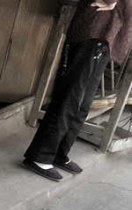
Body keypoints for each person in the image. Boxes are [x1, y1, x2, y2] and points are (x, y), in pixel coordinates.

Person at [23, 0, 132, 181]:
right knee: (69, 98)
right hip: (94, 29)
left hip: (107, 34)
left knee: (82, 104)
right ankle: (39, 156)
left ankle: (59, 153)